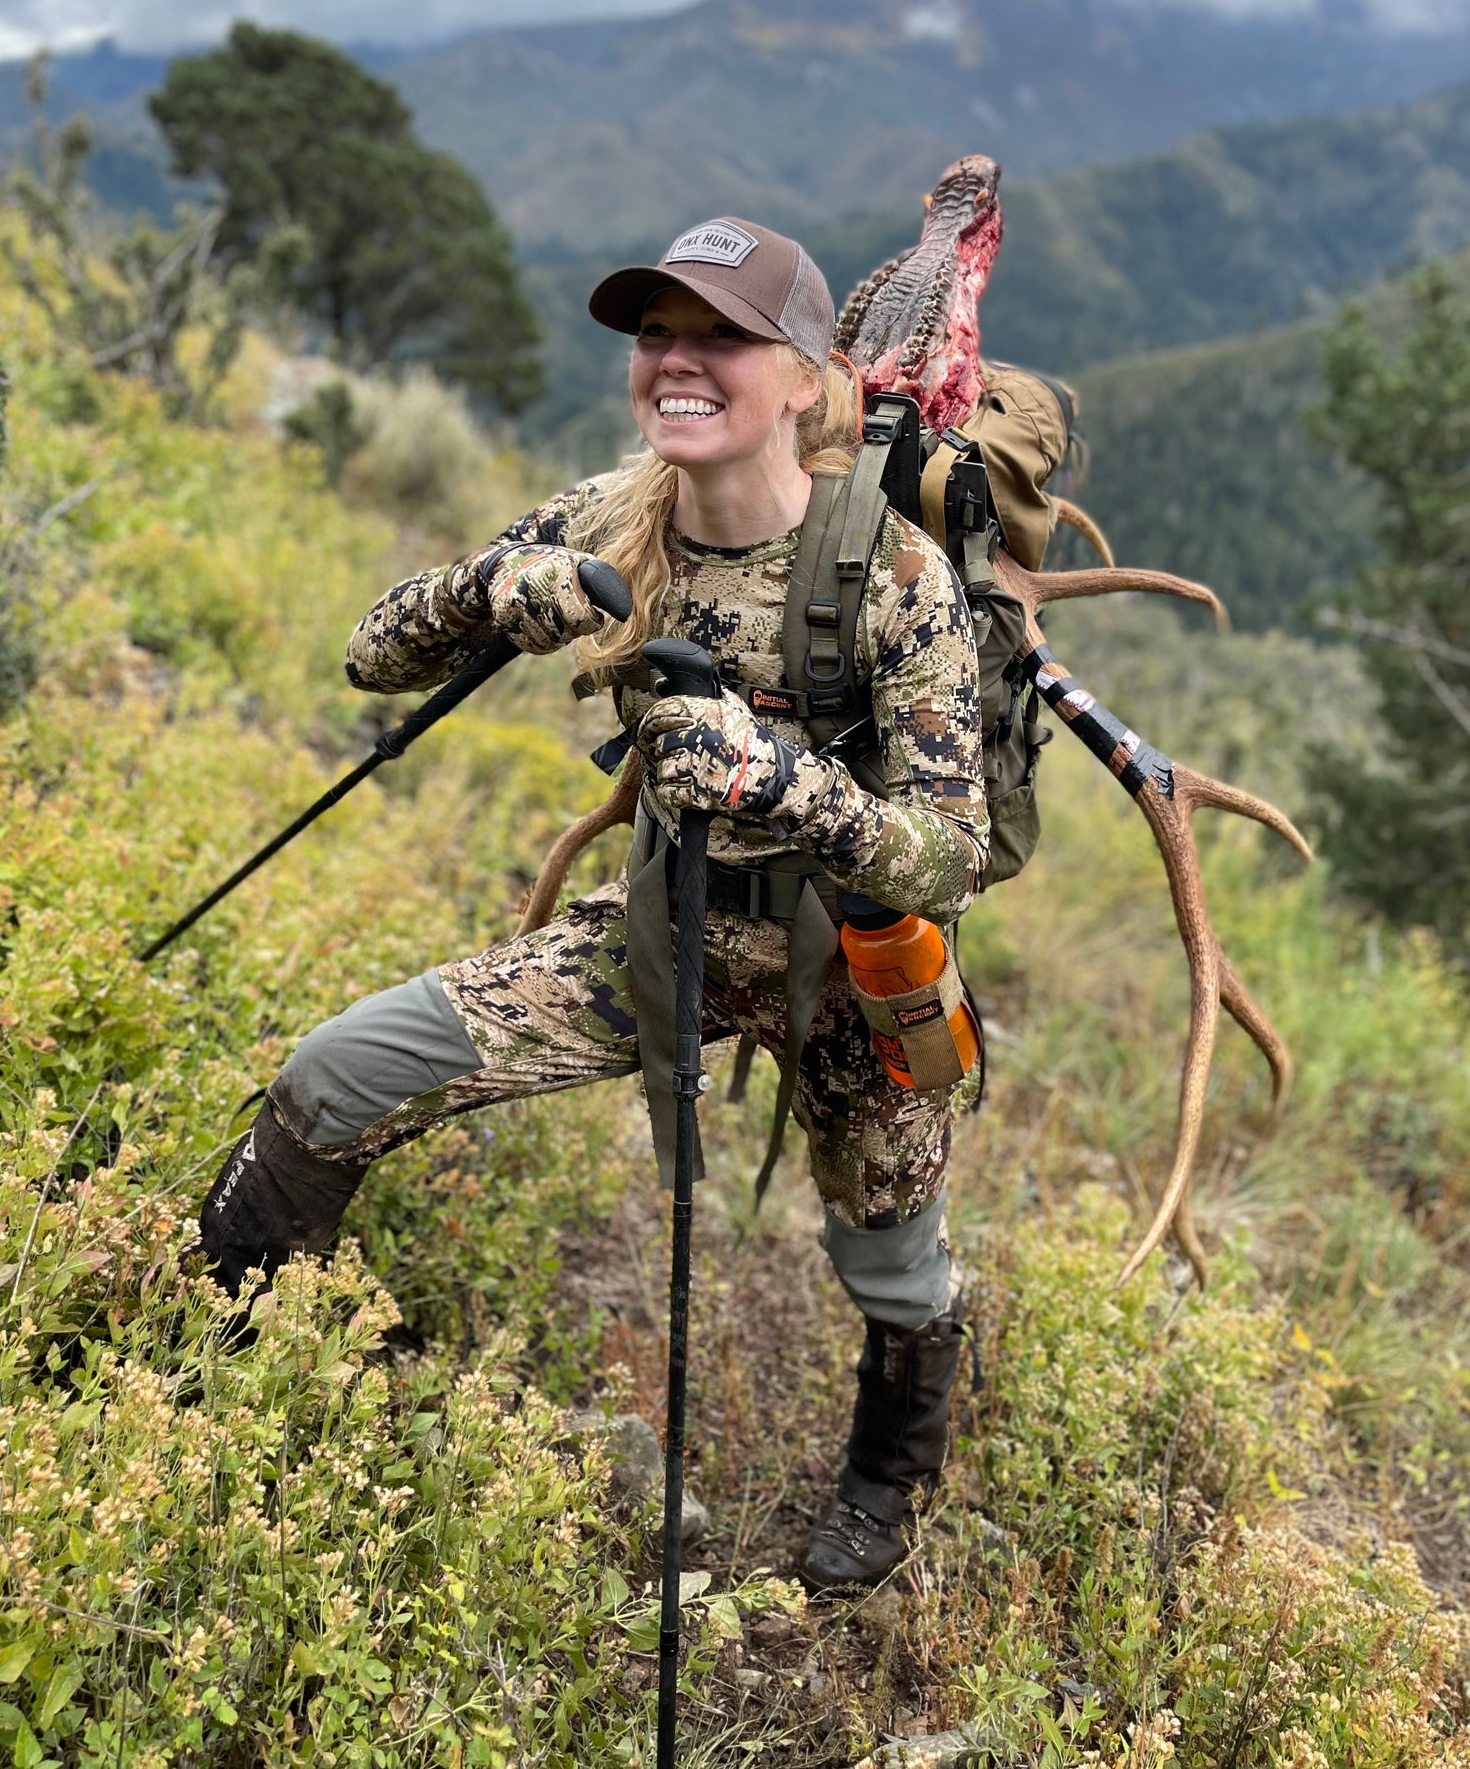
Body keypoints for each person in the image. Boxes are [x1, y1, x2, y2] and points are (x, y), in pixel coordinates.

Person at [197, 218, 989, 1590]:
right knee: (335, 1077)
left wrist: (789, 786)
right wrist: (491, 589)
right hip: (657, 938)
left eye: (721, 337)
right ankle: (226, 1372)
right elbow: (369, 654)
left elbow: (951, 849)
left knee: (896, 1266)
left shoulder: (900, 581)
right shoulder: (612, 515)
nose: (678, 362)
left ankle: (886, 1478)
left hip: (855, 971)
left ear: (804, 378)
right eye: (656, 335)